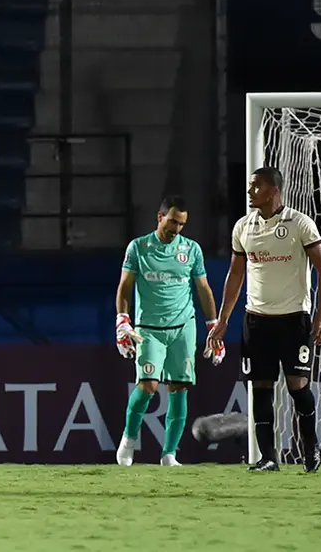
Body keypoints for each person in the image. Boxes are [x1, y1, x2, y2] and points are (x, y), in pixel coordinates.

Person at [207, 166, 321, 472]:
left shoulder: (300, 224)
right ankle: (268, 458)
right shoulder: (243, 227)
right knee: (260, 387)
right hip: (257, 320)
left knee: (297, 386)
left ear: (273, 190)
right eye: (249, 187)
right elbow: (235, 275)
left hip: (294, 319)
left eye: (255, 187)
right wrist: (223, 320)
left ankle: (311, 451)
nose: (250, 192)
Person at [114, 195, 219, 466]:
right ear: (159, 217)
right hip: (148, 328)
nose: (176, 229)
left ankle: (169, 454)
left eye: (181, 224)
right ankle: (128, 440)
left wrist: (213, 327)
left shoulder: (191, 250)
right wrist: (122, 320)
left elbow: (203, 288)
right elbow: (125, 285)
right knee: (148, 386)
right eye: (172, 221)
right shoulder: (138, 248)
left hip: (183, 327)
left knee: (180, 387)